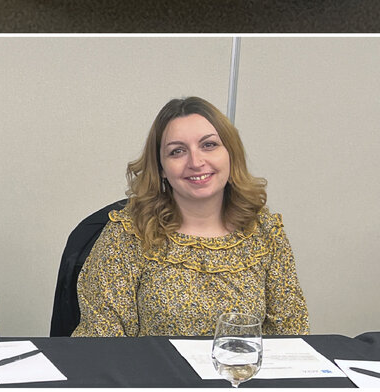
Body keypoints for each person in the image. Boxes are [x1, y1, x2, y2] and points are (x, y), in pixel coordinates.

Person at [72, 96, 309, 337]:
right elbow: (101, 340)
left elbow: (291, 334)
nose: (196, 162)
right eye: (177, 151)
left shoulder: (265, 231)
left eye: (209, 145)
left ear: (231, 154)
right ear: (161, 168)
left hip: (240, 373)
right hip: (150, 374)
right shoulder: (129, 234)